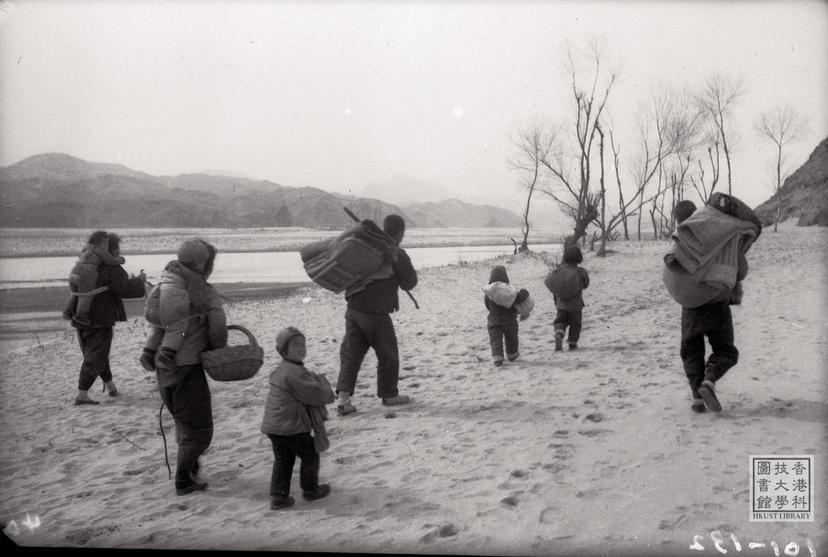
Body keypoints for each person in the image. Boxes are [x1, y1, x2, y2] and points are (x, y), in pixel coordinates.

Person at [154, 238, 227, 495]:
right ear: (203, 263)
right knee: (200, 429)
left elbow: (159, 324)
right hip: (187, 366)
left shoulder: (168, 285)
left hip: (163, 367)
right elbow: (217, 328)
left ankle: (191, 465)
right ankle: (183, 480)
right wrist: (219, 350)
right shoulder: (204, 291)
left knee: (184, 422)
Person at [670, 199, 751, 413]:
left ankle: (697, 397)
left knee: (691, 351)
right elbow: (740, 271)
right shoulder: (721, 236)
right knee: (726, 351)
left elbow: (674, 277)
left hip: (691, 307)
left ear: (677, 220)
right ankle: (709, 380)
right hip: (717, 304)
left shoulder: (677, 243)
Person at [335, 214, 418, 416]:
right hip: (375, 312)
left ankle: (343, 400)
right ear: (399, 233)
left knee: (351, 355)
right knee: (388, 354)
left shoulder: (366, 247)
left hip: (353, 309)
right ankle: (389, 395)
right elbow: (410, 282)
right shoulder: (396, 252)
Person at [65, 232, 146, 405]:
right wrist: (140, 281)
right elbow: (125, 289)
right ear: (112, 248)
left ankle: (110, 386)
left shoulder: (85, 262)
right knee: (97, 354)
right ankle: (82, 394)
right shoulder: (112, 267)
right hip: (100, 318)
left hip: (81, 315)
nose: (119, 251)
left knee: (97, 353)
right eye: (117, 248)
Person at [261, 327, 335, 510]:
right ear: (283, 350)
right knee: (310, 454)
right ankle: (310, 490)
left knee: (283, 460)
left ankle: (278, 496)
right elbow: (318, 395)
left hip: (273, 427)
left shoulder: (281, 369)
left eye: (303, 345)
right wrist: (322, 382)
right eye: (295, 346)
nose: (301, 349)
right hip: (290, 426)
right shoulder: (294, 372)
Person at [139, 256, 209, 373]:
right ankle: (167, 354)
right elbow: (196, 296)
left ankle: (148, 353)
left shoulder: (169, 270)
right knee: (176, 327)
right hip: (169, 304)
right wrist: (202, 310)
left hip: (153, 304)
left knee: (158, 328)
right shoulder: (192, 275)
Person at [67, 230, 127, 326]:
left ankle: (70, 311)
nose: (119, 251)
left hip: (75, 272)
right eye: (118, 248)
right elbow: (123, 288)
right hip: (99, 320)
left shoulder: (88, 250)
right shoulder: (105, 259)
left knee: (77, 293)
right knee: (86, 296)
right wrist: (121, 260)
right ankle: (80, 315)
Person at [483, 265, 530, 366]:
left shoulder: (489, 293)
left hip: (493, 321)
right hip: (509, 320)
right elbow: (517, 301)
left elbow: (487, 305)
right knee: (511, 338)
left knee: (495, 340)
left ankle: (497, 358)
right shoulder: (509, 292)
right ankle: (512, 354)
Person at [551, 245, 590, 351]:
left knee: (560, 321)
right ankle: (572, 343)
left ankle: (559, 333)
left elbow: (555, 287)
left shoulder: (559, 271)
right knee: (576, 325)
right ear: (579, 258)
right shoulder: (581, 272)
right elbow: (586, 285)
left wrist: (556, 300)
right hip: (576, 305)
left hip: (561, 304)